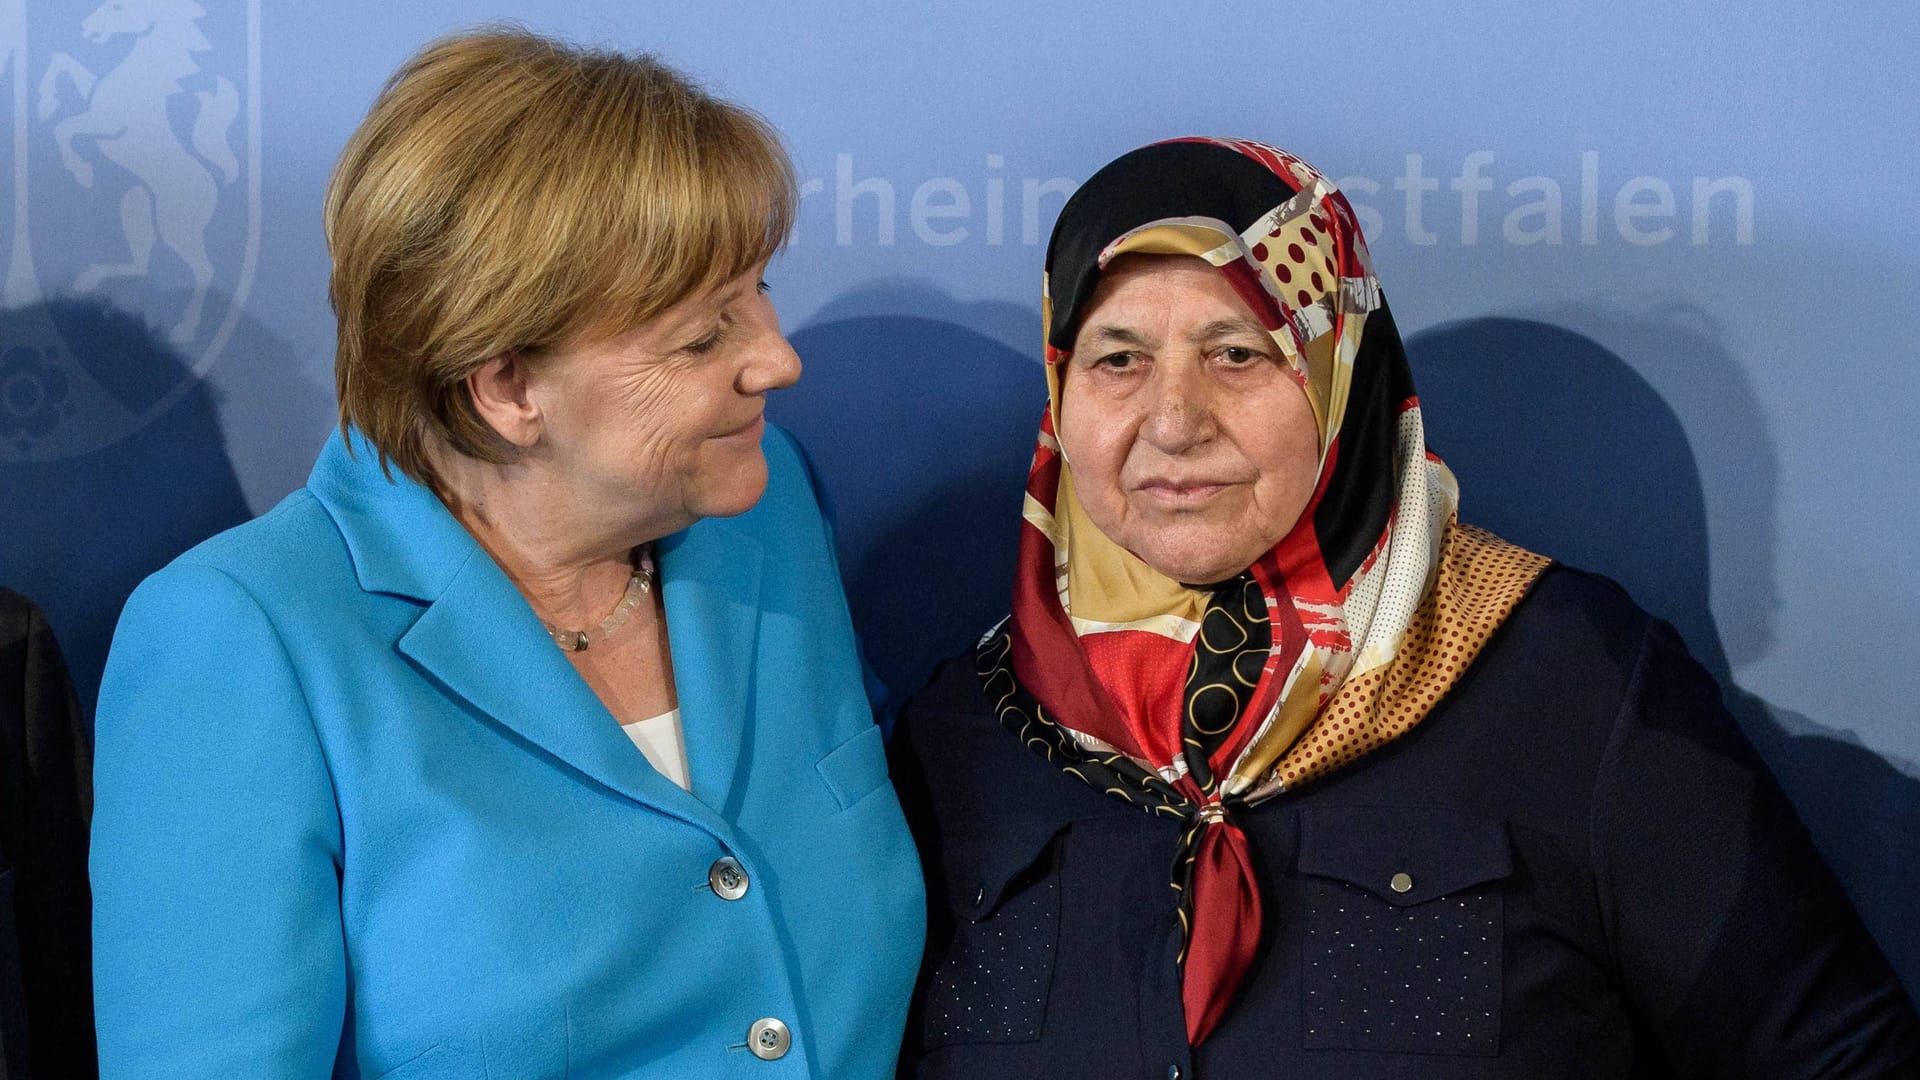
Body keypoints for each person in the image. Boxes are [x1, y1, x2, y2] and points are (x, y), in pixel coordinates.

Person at [890, 137, 1920, 1078]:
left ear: (1343, 371)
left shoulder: (1568, 681)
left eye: (1240, 352)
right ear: (1062, 390)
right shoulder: (967, 731)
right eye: (1118, 358)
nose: (1172, 419)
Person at [90, 29, 922, 1078]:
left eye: (757, 291)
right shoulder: (244, 637)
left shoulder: (766, 507)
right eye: (704, 337)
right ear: (507, 387)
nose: (779, 357)